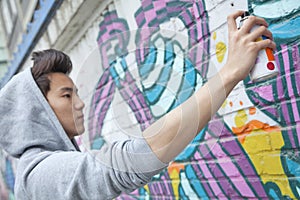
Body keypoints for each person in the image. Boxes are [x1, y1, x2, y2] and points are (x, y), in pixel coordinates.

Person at [0, 11, 276, 200]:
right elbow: (130, 160)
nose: (80, 104)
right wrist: (228, 74)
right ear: (37, 113)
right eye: (67, 96)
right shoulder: (40, 174)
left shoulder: (39, 167)